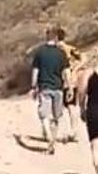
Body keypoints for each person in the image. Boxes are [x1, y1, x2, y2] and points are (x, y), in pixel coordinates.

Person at [30, 27, 70, 155]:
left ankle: (49, 138)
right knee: (56, 116)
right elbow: (66, 71)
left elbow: (35, 71)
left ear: (47, 37)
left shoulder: (40, 52)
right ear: (57, 38)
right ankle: (52, 138)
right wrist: (68, 86)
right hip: (58, 88)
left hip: (45, 87)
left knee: (44, 115)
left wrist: (33, 86)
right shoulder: (61, 53)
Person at [56, 28, 82, 143]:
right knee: (72, 106)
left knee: (58, 108)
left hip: (58, 81)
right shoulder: (70, 48)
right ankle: (74, 131)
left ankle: (62, 132)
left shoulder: (55, 49)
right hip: (71, 80)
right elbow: (83, 58)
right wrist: (75, 69)